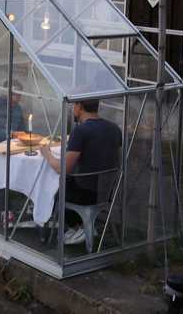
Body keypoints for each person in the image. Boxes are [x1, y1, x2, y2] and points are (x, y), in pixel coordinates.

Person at [40, 99, 122, 245]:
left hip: (84, 193)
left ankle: (73, 225)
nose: (72, 109)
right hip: (106, 191)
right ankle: (77, 225)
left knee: (49, 183)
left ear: (79, 107)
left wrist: (47, 154)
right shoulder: (114, 128)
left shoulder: (81, 130)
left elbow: (63, 168)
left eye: (73, 105)